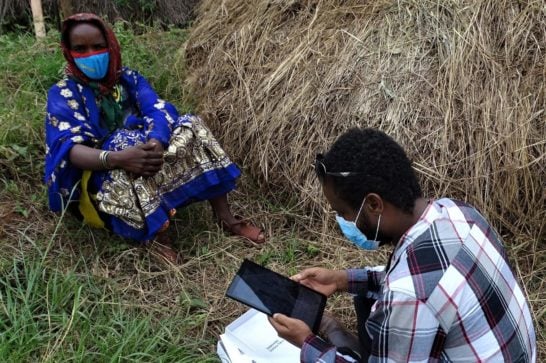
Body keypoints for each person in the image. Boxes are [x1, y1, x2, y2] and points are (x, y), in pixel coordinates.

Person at [269, 128, 536, 362]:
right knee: (367, 301)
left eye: (343, 211)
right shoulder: (456, 211)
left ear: (374, 204)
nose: (343, 221)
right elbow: (427, 280)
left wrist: (307, 343)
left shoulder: (407, 296)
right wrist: (341, 280)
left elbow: (414, 291)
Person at [44, 13, 265, 263]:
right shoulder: (63, 94)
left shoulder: (128, 79)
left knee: (192, 125)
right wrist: (118, 158)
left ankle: (226, 218)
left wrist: (156, 142)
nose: (91, 55)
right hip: (100, 172)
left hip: (143, 155)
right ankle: (158, 236)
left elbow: (156, 108)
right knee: (123, 142)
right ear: (68, 52)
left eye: (98, 46)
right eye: (80, 49)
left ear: (110, 45)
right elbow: (69, 149)